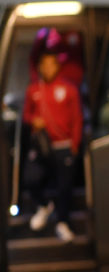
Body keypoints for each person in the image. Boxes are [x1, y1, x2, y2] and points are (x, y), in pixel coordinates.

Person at [23, 50, 83, 242]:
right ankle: (43, 206)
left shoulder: (69, 89)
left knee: (64, 186)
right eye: (44, 64)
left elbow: (77, 118)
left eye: (52, 64)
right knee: (31, 178)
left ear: (57, 66)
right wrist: (34, 120)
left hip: (63, 145)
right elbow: (25, 116)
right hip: (41, 146)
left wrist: (74, 144)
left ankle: (62, 222)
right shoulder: (33, 90)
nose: (48, 68)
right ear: (39, 67)